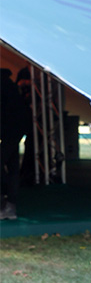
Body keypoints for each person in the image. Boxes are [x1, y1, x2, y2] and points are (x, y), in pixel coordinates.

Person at [0, 68, 32, 220]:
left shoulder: (3, 86)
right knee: (12, 166)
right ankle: (10, 204)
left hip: (11, 129)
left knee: (5, 164)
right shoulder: (9, 85)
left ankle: (5, 202)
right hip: (15, 129)